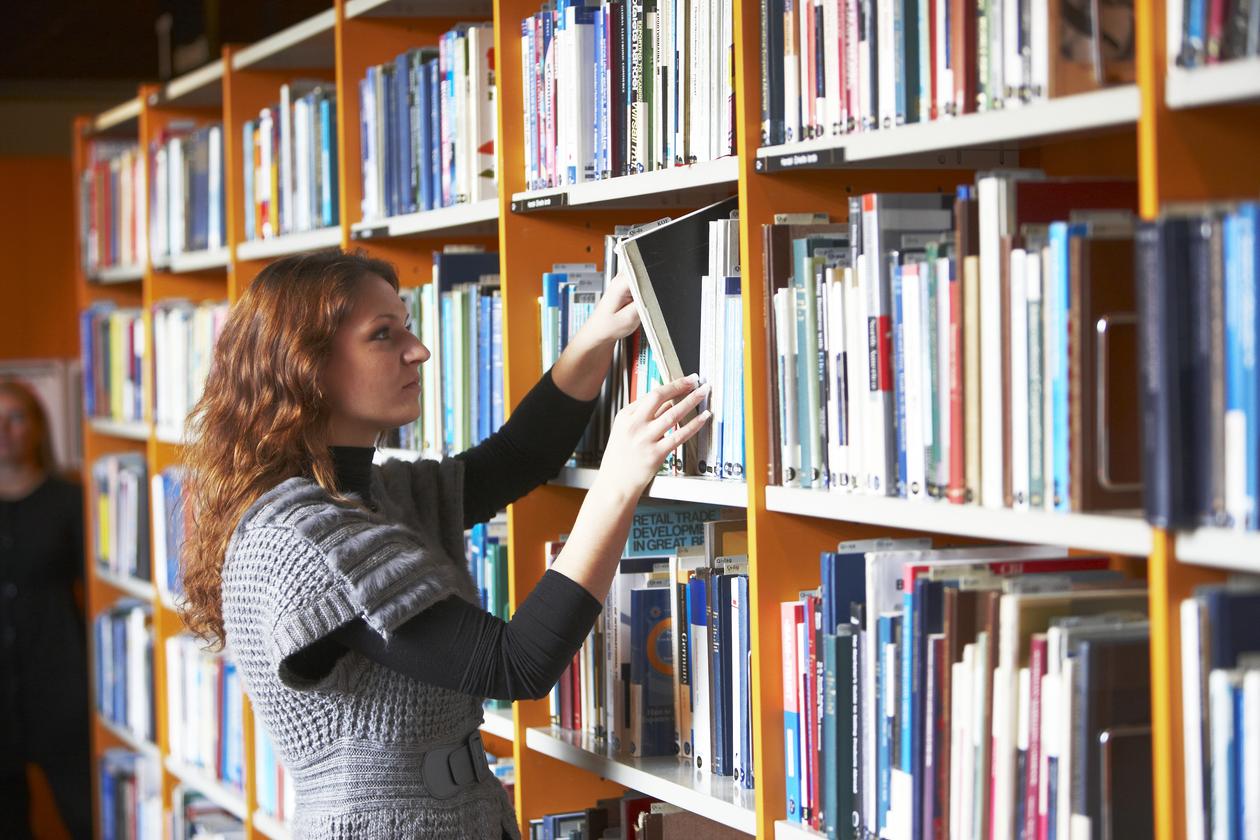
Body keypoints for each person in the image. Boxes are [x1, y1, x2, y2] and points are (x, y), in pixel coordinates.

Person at [181, 250, 711, 839]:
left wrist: (595, 337)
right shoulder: (305, 539)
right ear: (306, 367)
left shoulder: (380, 495)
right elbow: (516, 664)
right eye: (384, 335)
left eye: (405, 324)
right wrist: (616, 484)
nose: (419, 349)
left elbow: (514, 460)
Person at [0, 380, 91, 840]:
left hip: (61, 686)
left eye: (15, 417)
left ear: (37, 427)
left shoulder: (70, 501)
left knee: (86, 817)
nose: (3, 430)